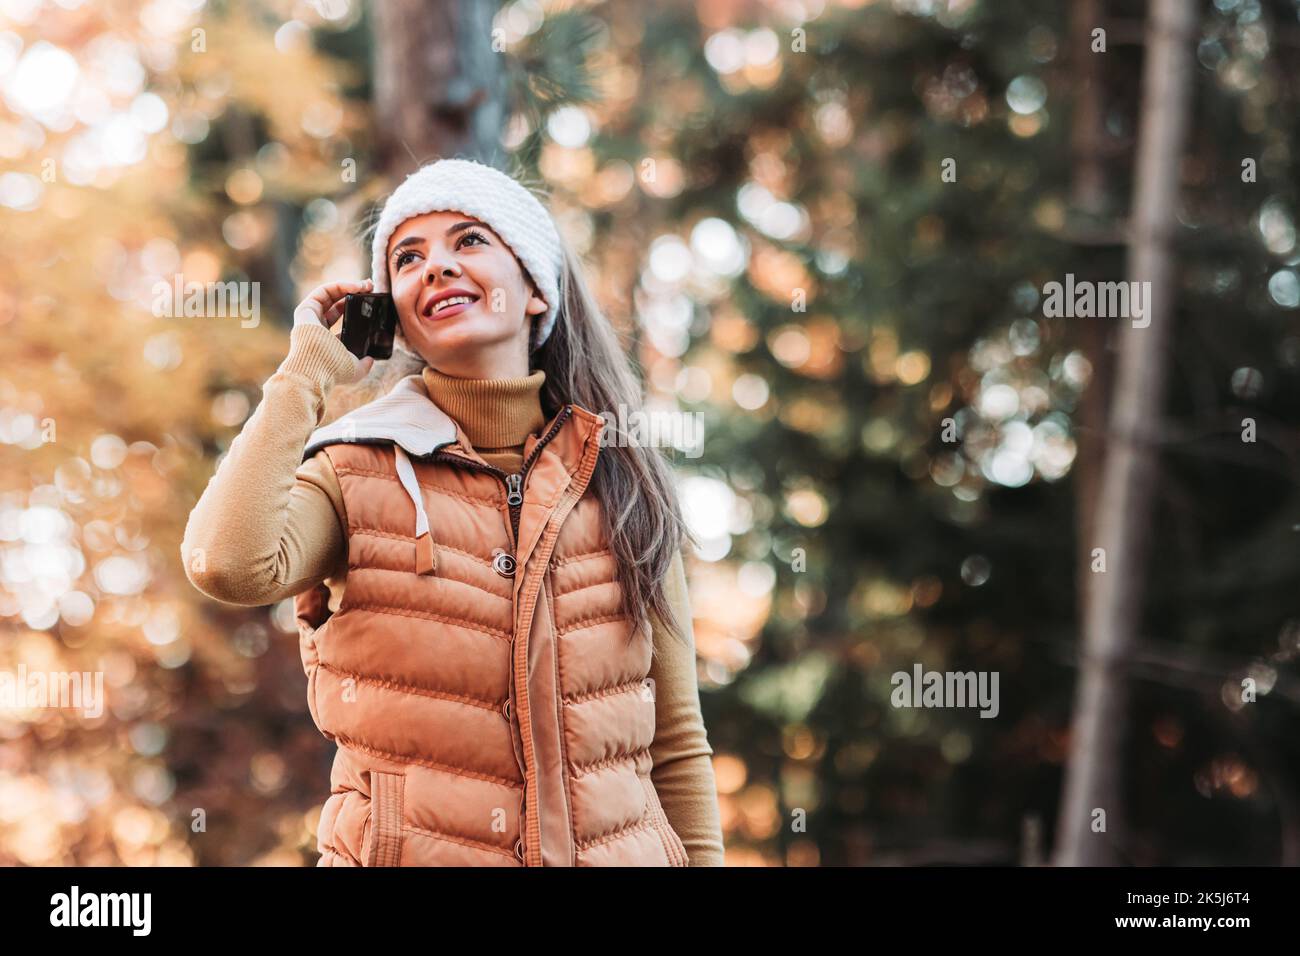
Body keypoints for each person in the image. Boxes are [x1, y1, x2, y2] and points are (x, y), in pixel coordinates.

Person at [181, 157, 724, 866]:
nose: (435, 266)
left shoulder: (621, 480)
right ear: (396, 317)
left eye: (468, 241)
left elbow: (677, 745)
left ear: (534, 288)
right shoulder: (354, 471)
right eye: (409, 258)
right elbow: (226, 563)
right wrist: (305, 372)